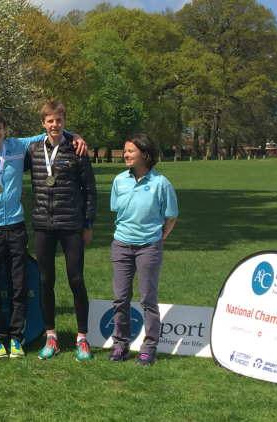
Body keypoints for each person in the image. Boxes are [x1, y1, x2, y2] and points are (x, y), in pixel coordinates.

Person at [0, 111, 87, 359]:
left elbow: (49, 132)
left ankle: (16, 338)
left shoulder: (19, 146)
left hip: (15, 225)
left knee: (19, 285)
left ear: (5, 129)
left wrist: (73, 135)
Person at [24, 102, 97, 361]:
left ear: (65, 121)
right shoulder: (32, 150)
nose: (55, 125)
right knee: (45, 281)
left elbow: (90, 191)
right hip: (43, 224)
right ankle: (51, 337)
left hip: (72, 225)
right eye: (50, 121)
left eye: (59, 120)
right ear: (42, 123)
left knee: (76, 279)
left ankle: (82, 339)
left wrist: (88, 224)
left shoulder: (77, 149)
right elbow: (6, 161)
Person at [108, 134, 178, 366]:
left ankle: (149, 348)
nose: (125, 155)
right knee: (120, 298)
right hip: (121, 245)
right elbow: (116, 211)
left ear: (146, 155)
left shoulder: (161, 184)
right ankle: (120, 345)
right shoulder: (119, 181)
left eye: (130, 151)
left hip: (149, 247)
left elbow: (171, 216)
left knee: (148, 299)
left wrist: (160, 238)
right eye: (125, 150)